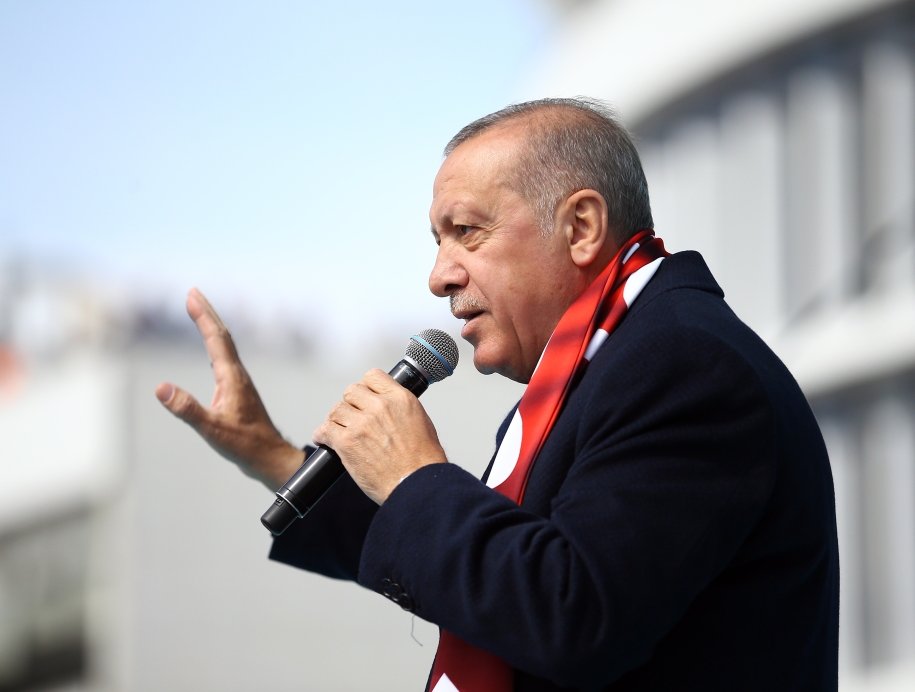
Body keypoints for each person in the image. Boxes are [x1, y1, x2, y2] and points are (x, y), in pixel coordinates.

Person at [155, 98, 838, 691]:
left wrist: (419, 478)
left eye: (466, 231)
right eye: (437, 239)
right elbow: (494, 574)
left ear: (580, 228)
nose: (438, 276)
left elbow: (572, 614)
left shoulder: (683, 364)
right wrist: (276, 457)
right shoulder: (608, 364)